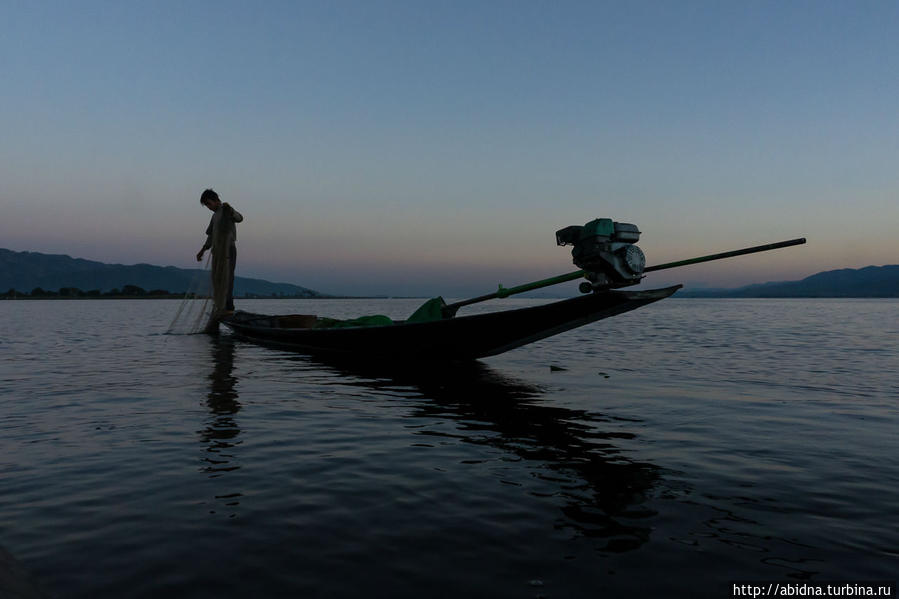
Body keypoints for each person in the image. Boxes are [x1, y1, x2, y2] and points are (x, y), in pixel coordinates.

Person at [196, 189, 243, 314]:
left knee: (227, 278)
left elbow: (240, 218)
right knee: (217, 279)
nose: (209, 207)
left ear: (216, 200)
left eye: (209, 204)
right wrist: (202, 250)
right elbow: (211, 236)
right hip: (217, 252)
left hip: (229, 249)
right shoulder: (214, 216)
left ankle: (228, 307)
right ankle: (220, 306)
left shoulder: (227, 210)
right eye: (206, 205)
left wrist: (231, 210)